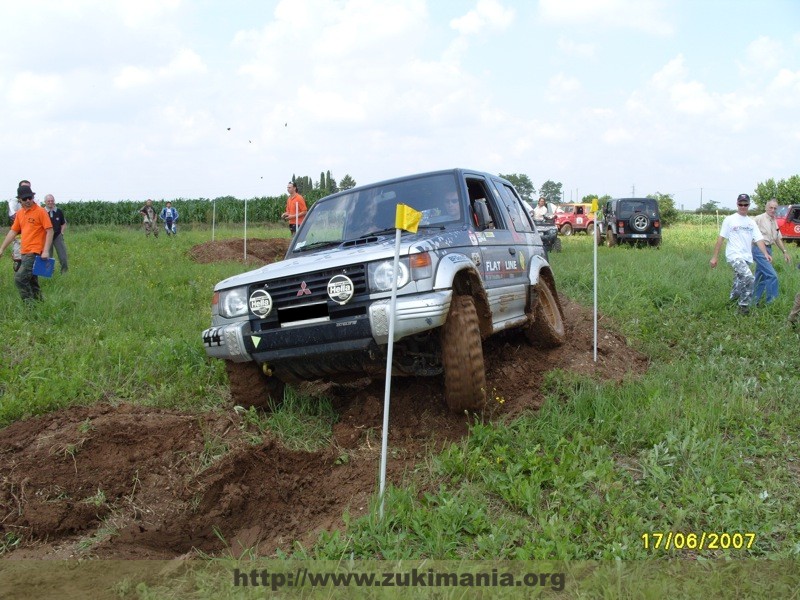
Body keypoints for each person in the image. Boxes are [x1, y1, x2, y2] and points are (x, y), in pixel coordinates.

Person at [710, 193, 772, 315]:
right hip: (734, 255)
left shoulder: (751, 222)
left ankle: (732, 302)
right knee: (748, 277)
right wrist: (714, 257)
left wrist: (765, 253)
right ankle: (743, 308)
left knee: (739, 281)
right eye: (740, 204)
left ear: (749, 205)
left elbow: (759, 239)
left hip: (746, 257)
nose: (743, 206)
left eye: (745, 204)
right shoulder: (730, 220)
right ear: (737, 204)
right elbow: (721, 238)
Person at [0, 185, 53, 302]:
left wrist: (45, 251)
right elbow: (13, 231)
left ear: (33, 197)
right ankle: (40, 304)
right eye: (24, 199)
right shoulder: (19, 214)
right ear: (20, 199)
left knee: (20, 279)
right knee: (32, 281)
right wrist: (2, 248)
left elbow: (50, 230)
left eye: (30, 197)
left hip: (34, 251)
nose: (28, 200)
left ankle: (30, 307)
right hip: (24, 251)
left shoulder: (40, 212)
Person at [752, 198, 791, 304]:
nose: (773, 210)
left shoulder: (774, 220)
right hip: (759, 249)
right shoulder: (758, 219)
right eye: (771, 207)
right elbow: (748, 233)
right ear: (766, 207)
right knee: (772, 275)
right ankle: (772, 302)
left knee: (761, 277)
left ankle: (752, 302)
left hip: (769, 249)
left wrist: (784, 251)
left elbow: (777, 238)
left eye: (775, 208)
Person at [44, 194, 68, 274]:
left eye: (52, 201)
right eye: (48, 201)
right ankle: (49, 273)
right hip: (46, 236)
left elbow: (63, 223)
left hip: (57, 235)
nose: (50, 202)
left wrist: (61, 232)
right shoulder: (42, 212)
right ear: (45, 202)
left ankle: (64, 272)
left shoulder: (59, 211)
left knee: (63, 256)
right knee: (48, 256)